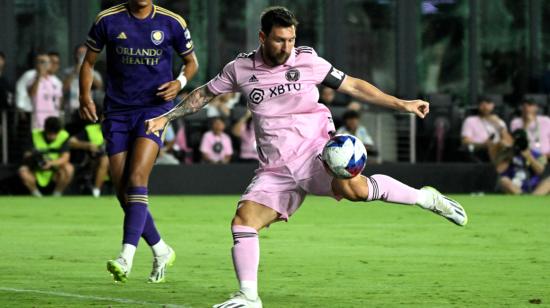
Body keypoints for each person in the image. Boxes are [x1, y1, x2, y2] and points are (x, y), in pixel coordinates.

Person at [145, 7, 467, 307]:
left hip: (319, 154)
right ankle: (249, 297)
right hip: (275, 169)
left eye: (291, 39)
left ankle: (427, 199)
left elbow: (353, 85)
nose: (287, 46)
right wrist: (166, 118)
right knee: (243, 221)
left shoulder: (308, 62)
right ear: (262, 37)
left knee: (356, 191)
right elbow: (204, 94)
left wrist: (402, 104)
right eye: (280, 39)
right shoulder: (240, 69)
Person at [79, 0, 198, 283]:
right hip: (117, 112)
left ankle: (126, 256)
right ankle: (161, 249)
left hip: (154, 110)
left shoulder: (172, 22)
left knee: (136, 178)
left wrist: (179, 82)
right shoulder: (107, 20)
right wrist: (84, 96)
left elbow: (191, 63)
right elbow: (88, 62)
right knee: (123, 192)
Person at [18, 116, 74, 197]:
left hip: (54, 170)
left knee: (69, 169)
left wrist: (51, 163)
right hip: (36, 168)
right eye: (50, 133)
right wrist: (36, 158)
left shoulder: (64, 136)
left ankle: (57, 194)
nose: (52, 136)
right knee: (22, 171)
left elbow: (65, 158)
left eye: (55, 134)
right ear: (45, 129)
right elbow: (26, 155)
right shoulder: (34, 135)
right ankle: (37, 195)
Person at [495, 129, 550, 195]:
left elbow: (541, 172)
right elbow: (498, 170)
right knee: (504, 180)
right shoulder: (508, 154)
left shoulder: (537, 155)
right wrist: (510, 154)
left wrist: (529, 157)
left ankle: (533, 198)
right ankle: (523, 197)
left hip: (534, 187)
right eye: (517, 141)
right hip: (515, 186)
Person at [461, 96, 512, 162]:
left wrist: (498, 125)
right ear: (478, 106)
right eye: (482, 104)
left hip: (498, 152)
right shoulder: (470, 120)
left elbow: (509, 142)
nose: (485, 107)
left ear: (493, 105)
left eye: (488, 103)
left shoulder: (500, 122)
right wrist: (483, 145)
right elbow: (465, 142)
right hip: (479, 152)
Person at [63, 44, 103, 127]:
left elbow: (99, 86)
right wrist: (76, 70)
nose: (82, 56)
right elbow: (64, 88)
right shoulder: (68, 71)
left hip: (87, 107)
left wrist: (86, 71)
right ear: (75, 55)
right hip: (71, 109)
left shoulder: (94, 73)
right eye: (80, 53)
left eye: (84, 53)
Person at [68, 120, 109, 198]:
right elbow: (71, 142)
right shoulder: (90, 129)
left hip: (117, 162)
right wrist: (87, 145)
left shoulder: (123, 129)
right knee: (105, 159)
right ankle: (96, 192)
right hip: (93, 162)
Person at [28, 52, 63, 130]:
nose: (44, 65)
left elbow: (59, 102)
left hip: (54, 122)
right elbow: (31, 93)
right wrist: (39, 75)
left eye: (45, 62)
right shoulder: (32, 78)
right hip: (38, 123)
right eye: (41, 62)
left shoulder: (57, 82)